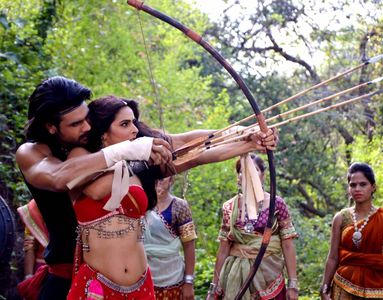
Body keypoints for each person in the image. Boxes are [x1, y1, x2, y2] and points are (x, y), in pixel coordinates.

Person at [65, 95, 277, 299]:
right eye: (125, 124)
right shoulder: (82, 157)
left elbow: (194, 152)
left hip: (140, 285)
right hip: (98, 287)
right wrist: (138, 158)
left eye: (134, 123)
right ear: (103, 133)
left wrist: (247, 139)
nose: (134, 130)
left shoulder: (143, 160)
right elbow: (97, 190)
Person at [15, 76, 175, 299]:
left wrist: (233, 137)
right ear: (51, 127)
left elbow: (177, 142)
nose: (87, 127)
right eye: (75, 124)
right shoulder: (32, 152)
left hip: (112, 278)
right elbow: (60, 177)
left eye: (86, 119)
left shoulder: (94, 145)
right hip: (65, 279)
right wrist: (127, 152)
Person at [208, 153, 299, 300]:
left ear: (263, 175)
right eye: (241, 171)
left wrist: (293, 284)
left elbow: (287, 245)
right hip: (234, 277)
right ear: (238, 177)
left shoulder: (277, 204)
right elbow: (224, 248)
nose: (247, 174)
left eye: (254, 169)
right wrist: (213, 288)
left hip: (270, 275)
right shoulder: (230, 207)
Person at [319, 162, 383, 300]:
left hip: (380, 288)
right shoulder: (340, 218)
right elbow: (333, 257)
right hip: (344, 286)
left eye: (363, 184)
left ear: (373, 187)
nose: (357, 189)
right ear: (348, 189)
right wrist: (324, 287)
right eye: (353, 185)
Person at [143, 176, 196, 300]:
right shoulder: (141, 204)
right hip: (143, 274)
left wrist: (188, 282)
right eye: (156, 176)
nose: (159, 180)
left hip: (173, 277)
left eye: (163, 177)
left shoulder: (179, 206)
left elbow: (189, 245)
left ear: (171, 180)